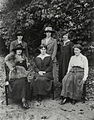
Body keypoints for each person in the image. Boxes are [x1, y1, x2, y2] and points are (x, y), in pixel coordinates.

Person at [5, 44, 30, 109]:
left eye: (20, 50)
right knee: (20, 82)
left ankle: (23, 100)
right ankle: (22, 99)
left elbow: (26, 69)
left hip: (23, 75)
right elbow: (6, 60)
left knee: (23, 81)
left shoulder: (24, 58)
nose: (19, 51)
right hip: (14, 76)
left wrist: (27, 66)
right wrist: (11, 67)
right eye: (18, 50)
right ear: (15, 51)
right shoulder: (12, 57)